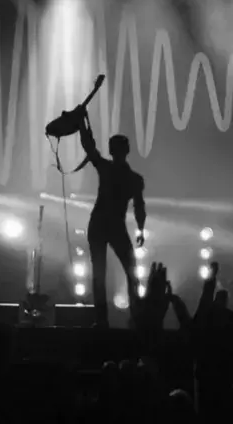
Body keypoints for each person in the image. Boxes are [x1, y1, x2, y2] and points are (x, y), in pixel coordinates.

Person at [78, 113, 146, 327]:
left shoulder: (108, 169)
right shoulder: (134, 179)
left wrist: (82, 124)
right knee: (129, 270)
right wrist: (140, 229)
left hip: (101, 224)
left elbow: (90, 148)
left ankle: (103, 320)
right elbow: (139, 206)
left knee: (101, 272)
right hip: (112, 225)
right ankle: (134, 317)